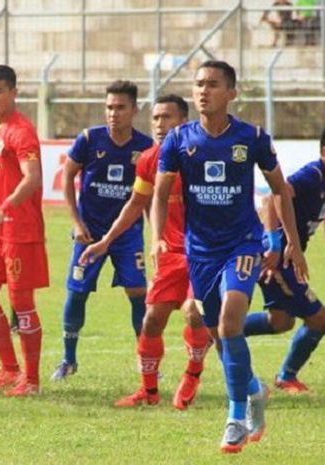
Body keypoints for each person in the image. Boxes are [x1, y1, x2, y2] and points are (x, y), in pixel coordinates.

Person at [152, 60, 307, 453]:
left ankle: (235, 416)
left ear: (231, 93)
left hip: (243, 244)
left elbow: (280, 190)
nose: (203, 91)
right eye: (198, 84)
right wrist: (156, 239)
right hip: (199, 250)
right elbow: (158, 193)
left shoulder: (252, 138)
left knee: (230, 318)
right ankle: (253, 389)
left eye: (213, 84)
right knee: (220, 332)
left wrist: (291, 242)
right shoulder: (177, 140)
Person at [79, 95, 213, 409]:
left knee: (194, 313)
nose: (159, 125)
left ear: (184, 121)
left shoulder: (203, 155)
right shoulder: (149, 160)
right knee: (152, 320)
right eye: (155, 118)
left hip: (203, 251)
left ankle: (192, 374)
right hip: (166, 251)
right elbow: (136, 204)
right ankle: (149, 393)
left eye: (167, 117)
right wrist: (106, 240)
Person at [245, 122, 325, 393]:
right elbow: (271, 200)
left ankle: (221, 330)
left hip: (287, 258)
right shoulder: (311, 176)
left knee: (280, 321)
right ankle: (286, 375)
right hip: (278, 258)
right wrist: (275, 244)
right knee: (320, 318)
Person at [50, 80, 153, 381]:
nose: (113, 113)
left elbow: (147, 196)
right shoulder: (88, 139)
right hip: (90, 233)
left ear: (134, 109)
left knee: (137, 292)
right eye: (109, 107)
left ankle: (144, 358)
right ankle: (68, 360)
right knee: (77, 293)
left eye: (120, 108)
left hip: (127, 234)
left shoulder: (145, 147)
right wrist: (76, 222)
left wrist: (154, 235)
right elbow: (67, 178)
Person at [0, 64, 48, 397]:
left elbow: (33, 178)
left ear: (14, 92)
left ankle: (31, 381)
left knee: (21, 302)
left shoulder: (22, 131)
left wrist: (3, 210)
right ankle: (9, 368)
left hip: (19, 229)